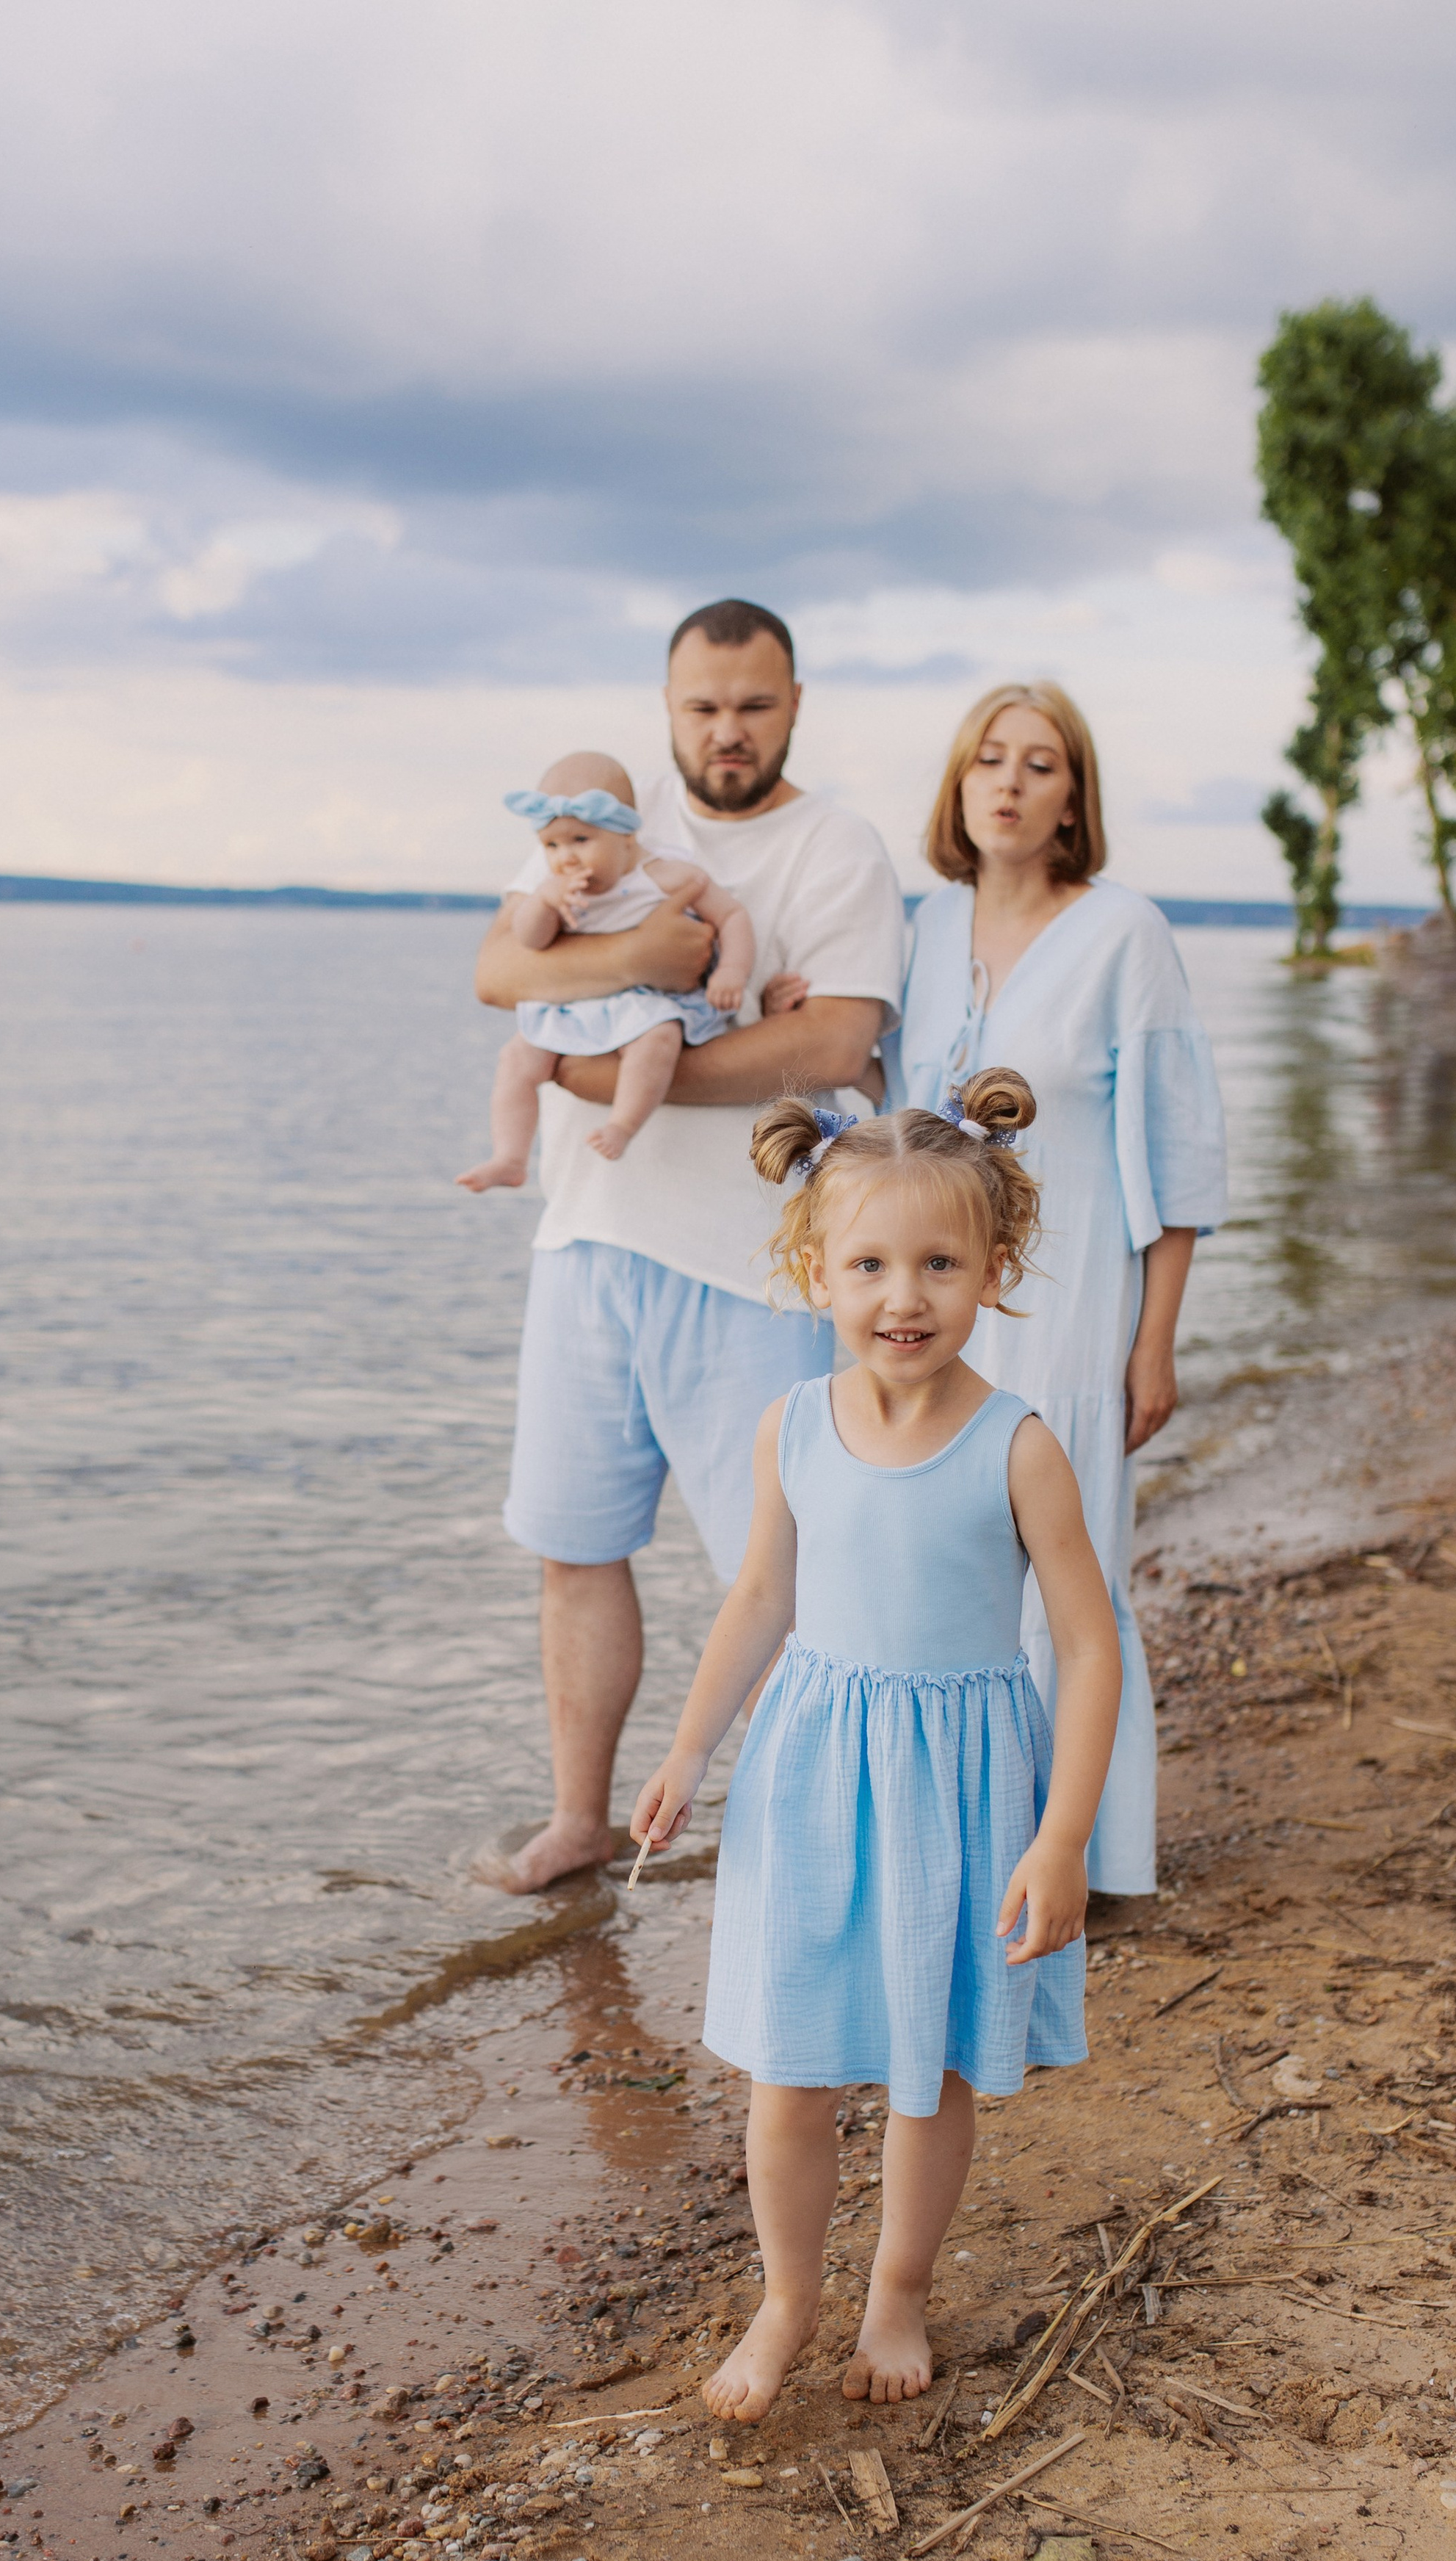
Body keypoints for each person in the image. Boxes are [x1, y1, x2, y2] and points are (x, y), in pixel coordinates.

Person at [630, 1075, 1122, 2423]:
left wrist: (1063, 1835)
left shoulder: (1016, 1450)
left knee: (928, 2064)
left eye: (939, 1264)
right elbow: (760, 1601)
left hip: (961, 1787)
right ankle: (787, 2298)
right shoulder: (791, 1427)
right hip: (808, 1777)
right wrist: (684, 1753)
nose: (903, 1296)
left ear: (996, 1271)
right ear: (815, 1271)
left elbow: (1087, 1647)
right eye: (869, 1264)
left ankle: (897, 2287)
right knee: (786, 2070)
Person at [469, 599, 905, 1897]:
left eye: (754, 706)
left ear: (794, 705)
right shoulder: (609, 821)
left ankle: (800, 1846)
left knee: (779, 1579)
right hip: (589, 1244)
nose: (728, 731)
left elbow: (834, 1046)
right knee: (573, 1545)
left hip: (756, 1267)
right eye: (703, 707)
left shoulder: (837, 849)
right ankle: (581, 1822)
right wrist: (641, 963)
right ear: (668, 710)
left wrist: (615, 1068)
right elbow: (498, 968)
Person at [887, 684, 1226, 1899]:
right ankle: (975, 1850)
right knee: (946, 1566)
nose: (1012, 782)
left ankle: (1092, 1856)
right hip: (935, 1314)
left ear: (1073, 796)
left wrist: (1156, 1342)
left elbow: (1180, 1154)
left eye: (1041, 765)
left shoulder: (1125, 932)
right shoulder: (923, 926)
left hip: (1079, 1303)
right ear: (960, 784)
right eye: (991, 760)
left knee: (1074, 1581)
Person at [456, 751, 755, 1188]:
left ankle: (624, 1124)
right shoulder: (553, 887)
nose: (565, 859)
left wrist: (732, 970)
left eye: (581, 840)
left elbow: (732, 917)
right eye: (551, 846)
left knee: (657, 1040)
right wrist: (544, 903)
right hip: (580, 1001)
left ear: (627, 837)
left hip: (650, 999)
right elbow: (531, 940)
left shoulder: (666, 876)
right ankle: (510, 1156)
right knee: (517, 1058)